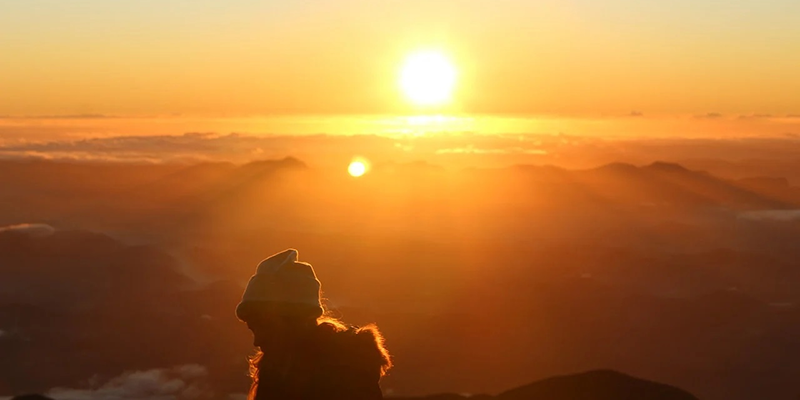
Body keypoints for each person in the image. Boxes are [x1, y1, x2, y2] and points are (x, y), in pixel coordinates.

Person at [236, 249, 392, 400]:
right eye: (253, 329)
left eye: (266, 327)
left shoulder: (345, 374)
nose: (257, 341)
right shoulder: (275, 369)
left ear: (297, 320)